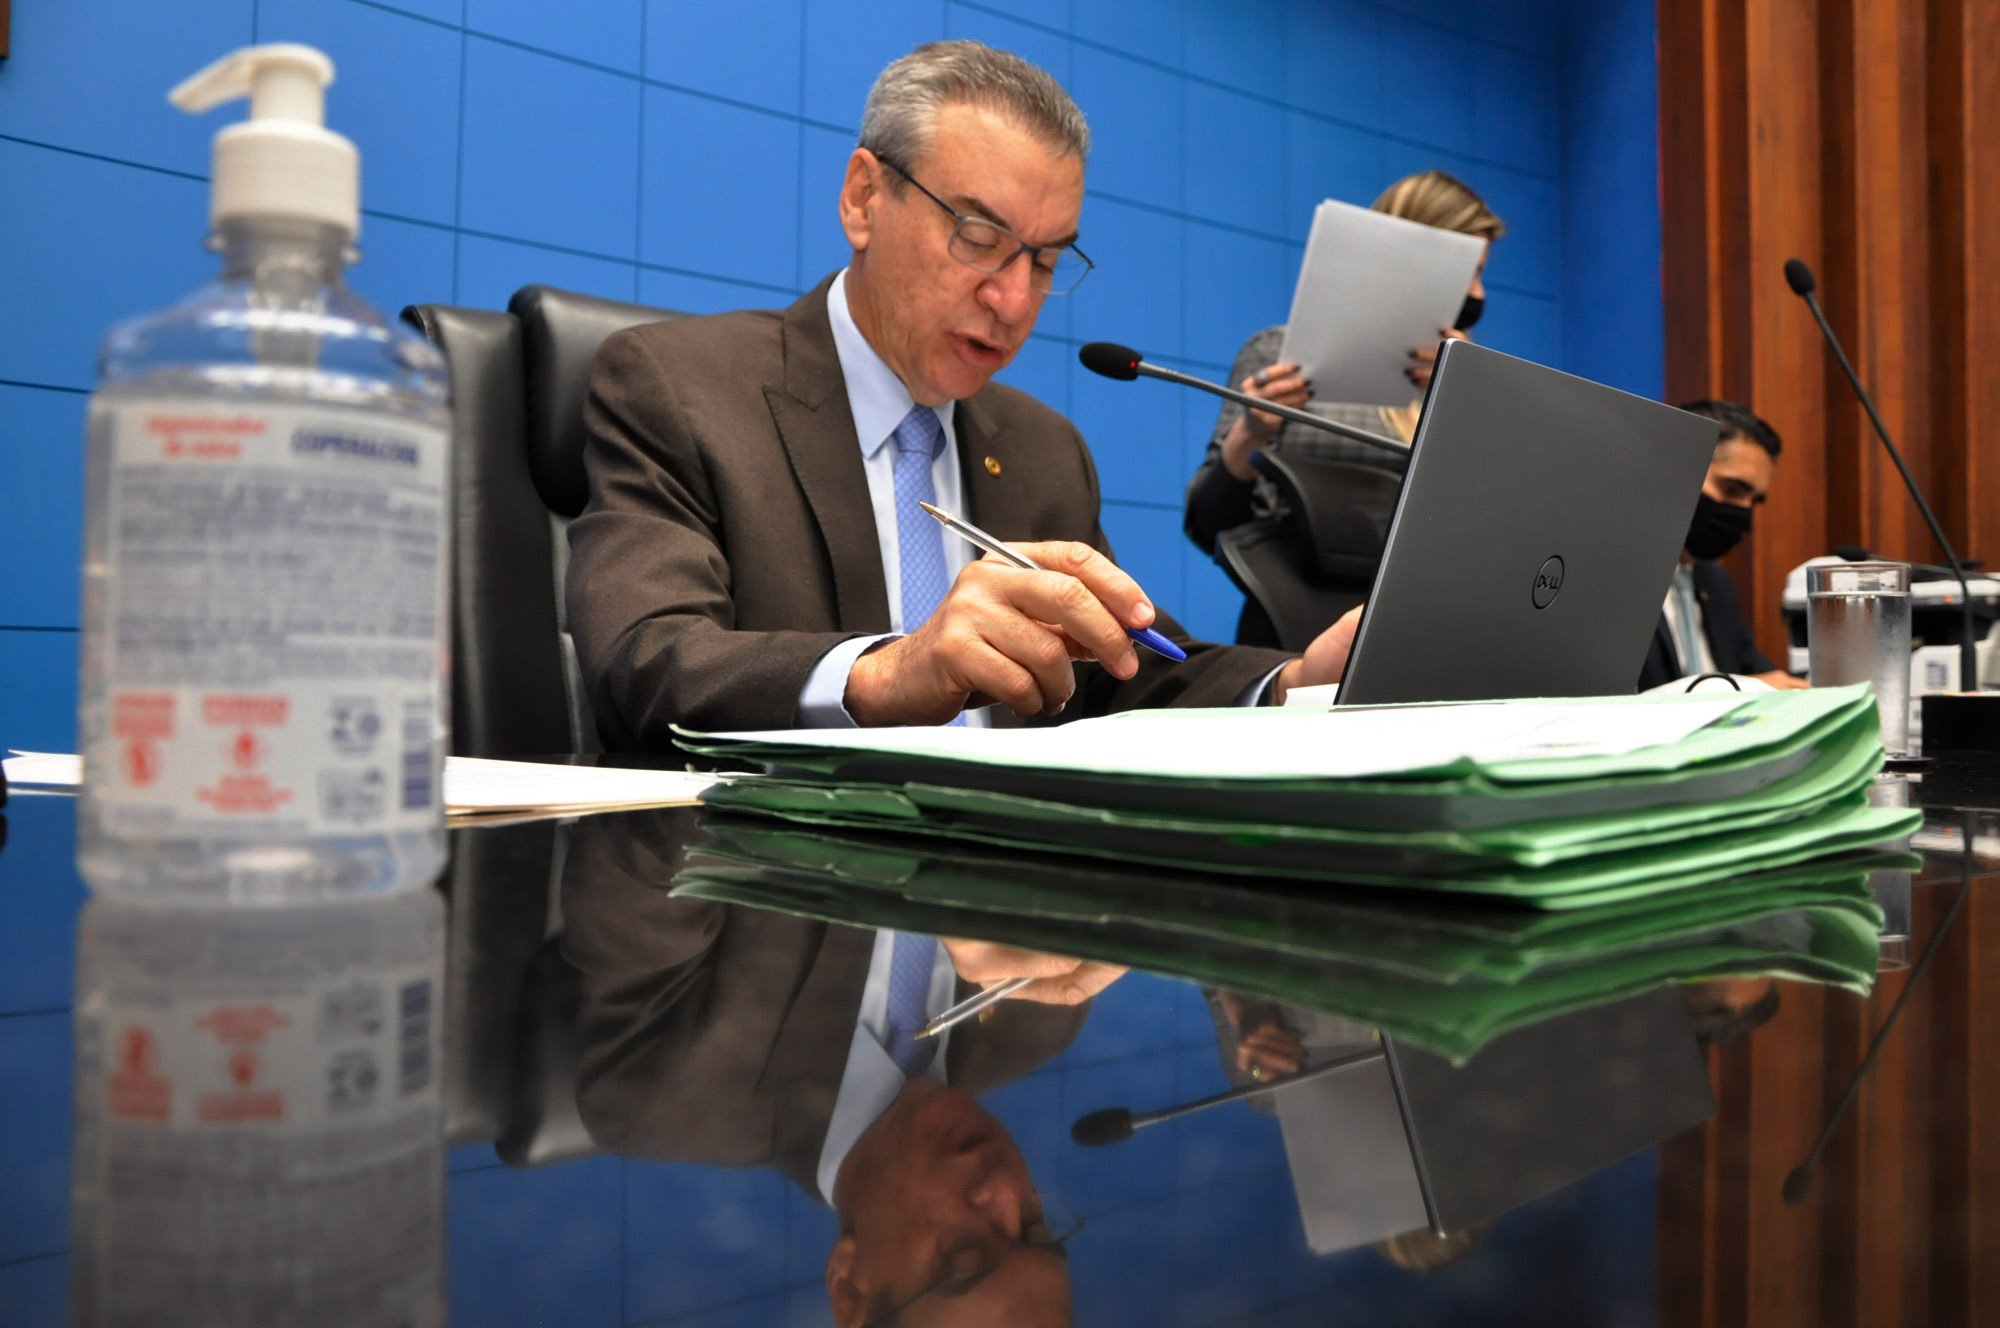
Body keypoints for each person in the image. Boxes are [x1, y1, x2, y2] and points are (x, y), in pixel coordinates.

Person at [566, 41, 1358, 748]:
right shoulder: (678, 386)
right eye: (978, 238)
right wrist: (886, 672)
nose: (1013, 301)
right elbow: (644, 661)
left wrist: (1293, 683)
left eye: (1045, 261)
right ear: (864, 199)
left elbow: (1123, 675)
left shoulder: (1044, 447)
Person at [562, 809, 1110, 1326]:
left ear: (851, 1287)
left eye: (965, 1254)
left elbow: (645, 838)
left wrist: (877, 792)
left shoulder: (668, 1095)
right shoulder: (1038, 1020)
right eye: (1038, 1228)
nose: (1006, 1189)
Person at [1183, 171, 1506, 646]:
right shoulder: (1278, 356)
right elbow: (1208, 525)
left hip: (1418, 634)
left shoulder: (1467, 384)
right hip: (1290, 634)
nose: (1479, 294)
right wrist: (1248, 434)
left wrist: (1470, 402)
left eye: (1482, 274)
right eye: (1469, 273)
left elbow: (1489, 535)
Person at [1637, 399, 1806, 691]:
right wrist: (1739, 690)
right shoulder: (1611, 581)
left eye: (1754, 500)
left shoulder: (1716, 583)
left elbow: (1766, 678)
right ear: (1676, 471)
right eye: (1732, 489)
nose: (1743, 512)